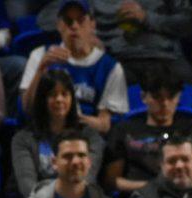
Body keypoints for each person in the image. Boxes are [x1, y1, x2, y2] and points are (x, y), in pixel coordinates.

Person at [18, 0, 128, 135]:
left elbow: (104, 125)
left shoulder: (110, 67)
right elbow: (26, 109)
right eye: (68, 21)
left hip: (85, 137)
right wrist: (41, 69)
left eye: (80, 20)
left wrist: (72, 118)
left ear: (92, 25)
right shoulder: (40, 55)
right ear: (59, 25)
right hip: (44, 134)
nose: (74, 26)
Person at [103, 71, 192, 195]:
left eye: (171, 97)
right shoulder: (123, 130)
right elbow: (112, 181)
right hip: (138, 196)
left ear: (179, 98)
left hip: (187, 197)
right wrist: (155, 187)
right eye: (157, 97)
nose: (164, 104)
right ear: (144, 97)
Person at [11, 70, 106, 197]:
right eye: (52, 95)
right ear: (42, 99)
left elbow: (87, 178)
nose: (59, 99)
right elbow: (27, 186)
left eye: (64, 94)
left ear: (72, 98)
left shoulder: (90, 137)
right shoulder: (23, 139)